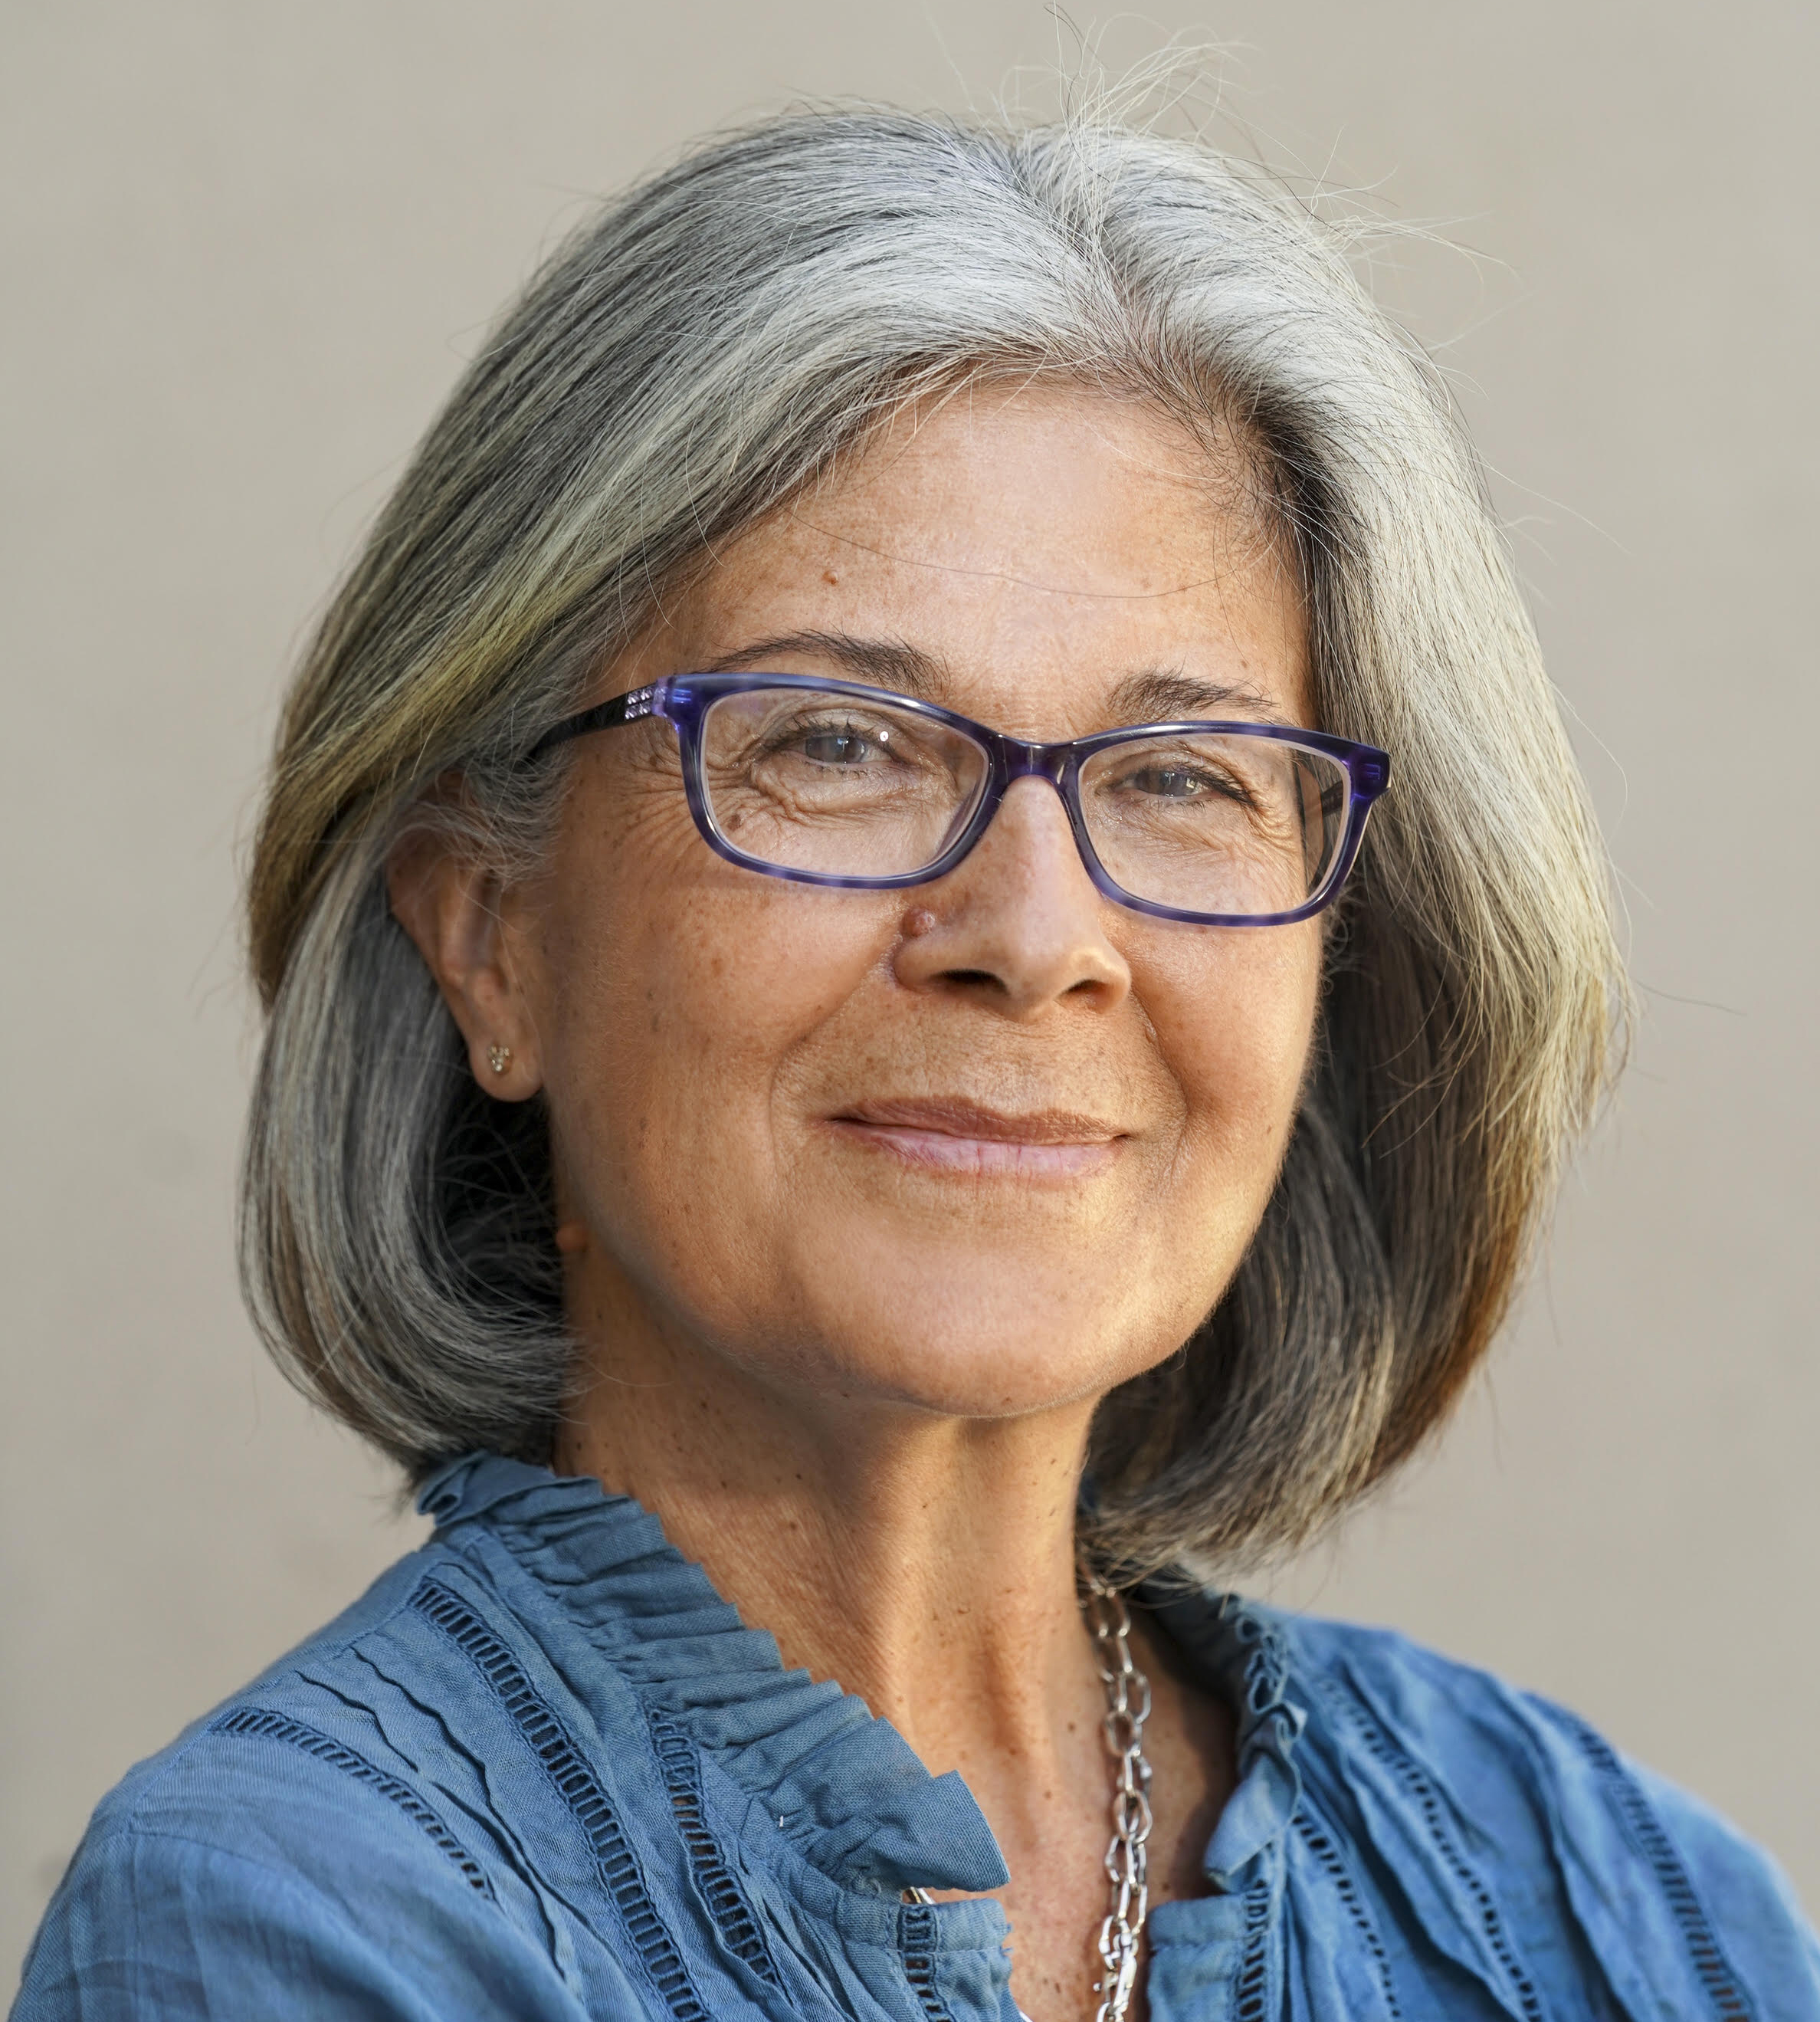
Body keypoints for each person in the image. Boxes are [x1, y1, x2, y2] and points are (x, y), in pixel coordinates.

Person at [15, 103, 1817, 2022]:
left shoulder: (1626, 1906)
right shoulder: (288, 1918)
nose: (1034, 933)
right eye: (836, 742)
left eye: (1182, 774)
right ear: (491, 937)